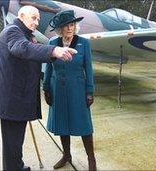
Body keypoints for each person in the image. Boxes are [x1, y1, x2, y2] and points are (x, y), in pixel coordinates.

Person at [0, 5, 76, 171]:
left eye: (38, 19)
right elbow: (22, 48)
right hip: (12, 101)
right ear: (21, 16)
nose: (37, 22)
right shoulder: (12, 31)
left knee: (15, 141)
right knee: (12, 142)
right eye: (33, 18)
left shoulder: (24, 33)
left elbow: (31, 53)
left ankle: (17, 166)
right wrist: (54, 50)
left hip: (16, 99)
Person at [43, 10, 97, 170]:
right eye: (65, 26)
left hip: (78, 90)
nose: (69, 28)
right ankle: (66, 155)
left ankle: (91, 160)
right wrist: (46, 88)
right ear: (60, 29)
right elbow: (49, 67)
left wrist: (90, 91)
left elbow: (89, 68)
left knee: (84, 125)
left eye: (72, 24)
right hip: (57, 89)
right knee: (62, 123)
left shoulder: (84, 43)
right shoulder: (52, 42)